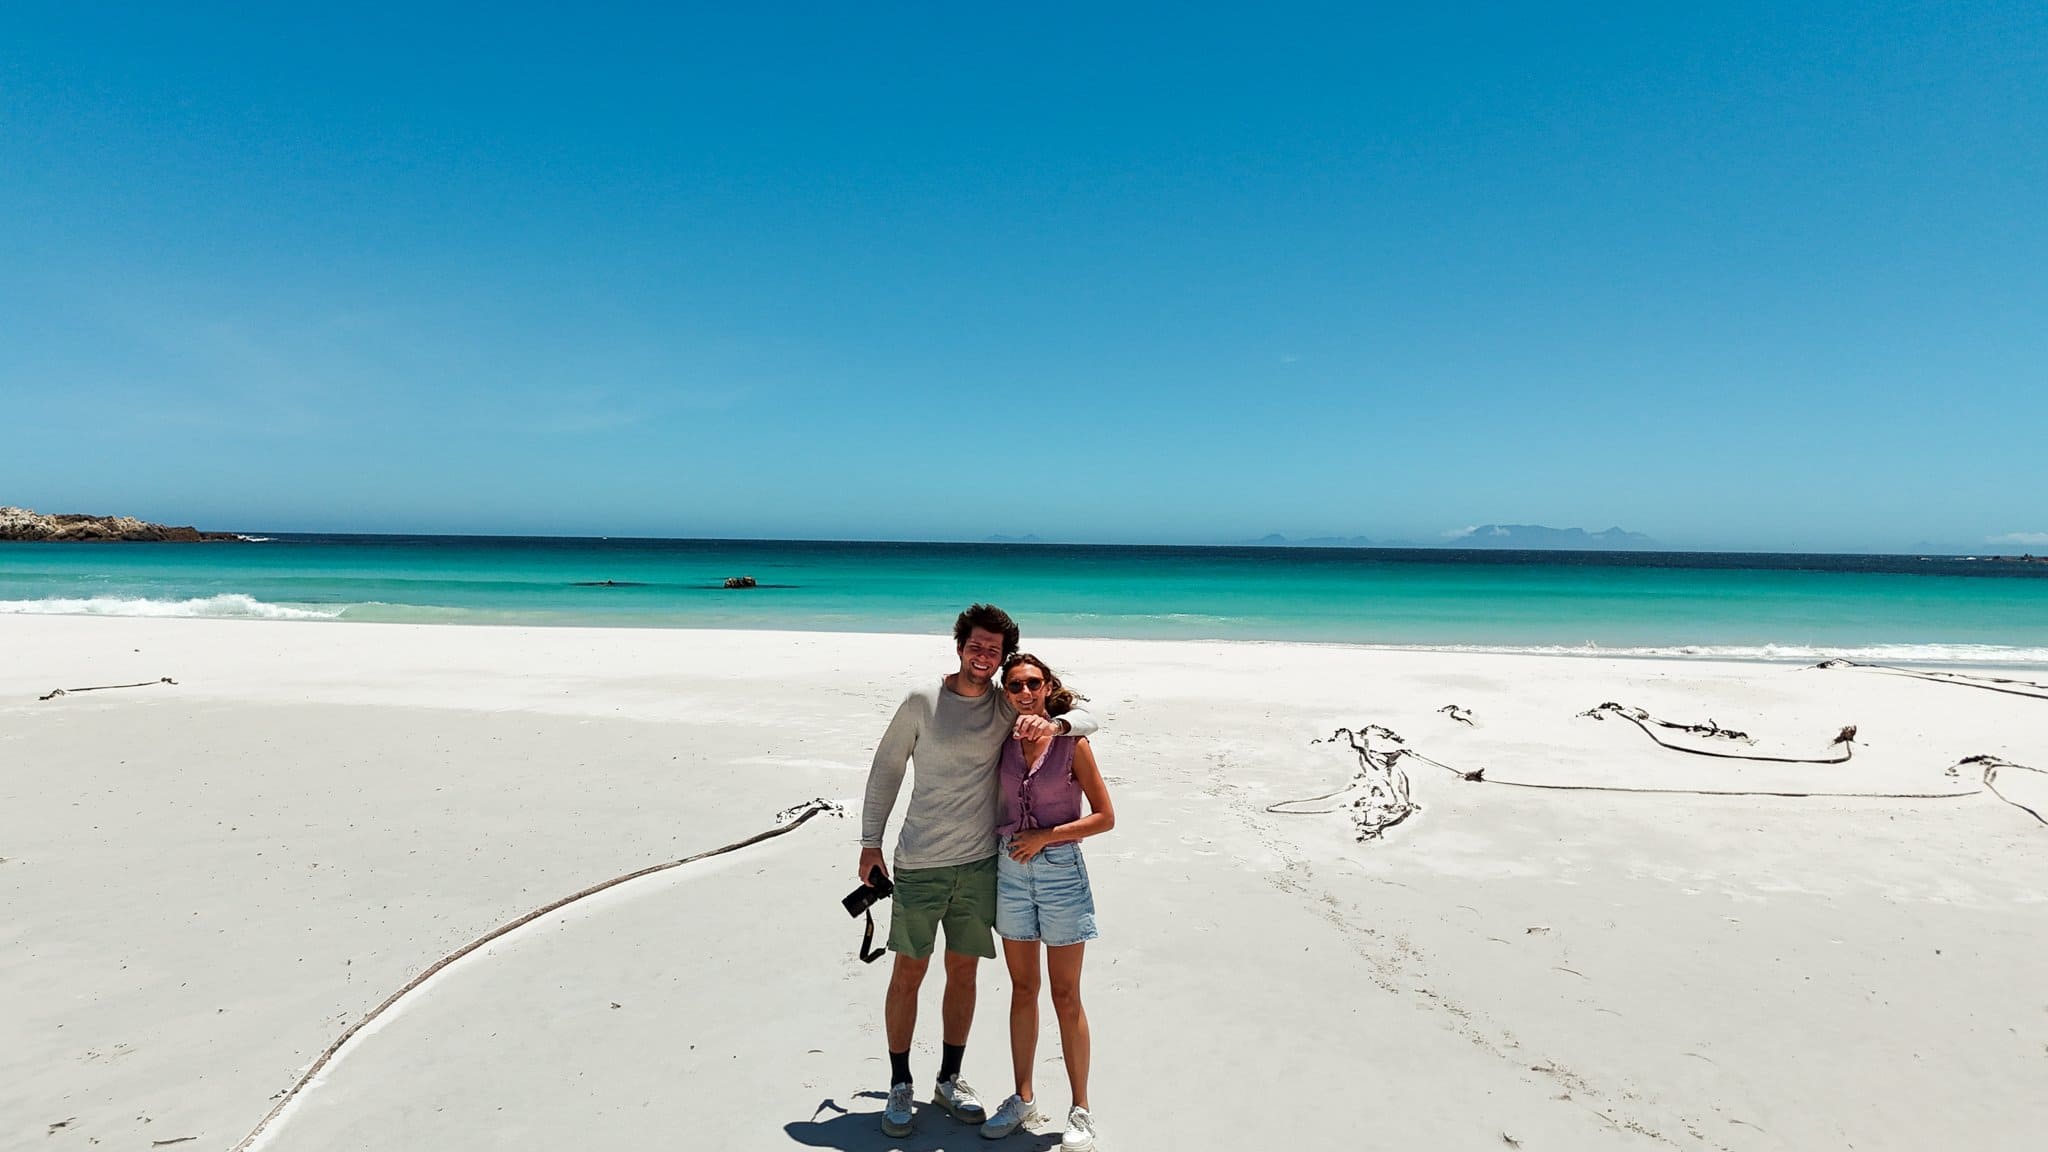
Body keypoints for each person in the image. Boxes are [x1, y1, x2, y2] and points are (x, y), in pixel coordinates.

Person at [859, 605, 1099, 1139]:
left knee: (964, 973)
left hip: (980, 864)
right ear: (960, 647)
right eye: (976, 646)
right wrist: (870, 842)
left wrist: (1057, 722)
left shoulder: (1005, 705)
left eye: (994, 649)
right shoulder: (922, 700)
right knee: (908, 974)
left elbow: (1085, 719)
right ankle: (900, 1083)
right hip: (920, 861)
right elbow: (886, 770)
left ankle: (949, 1079)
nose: (984, 655)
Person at [976, 653, 1115, 1151]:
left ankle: (1081, 1108)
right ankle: (1023, 1098)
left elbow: (1105, 817)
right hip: (1011, 873)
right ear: (1006, 692)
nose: (1025, 692)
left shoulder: (1071, 742)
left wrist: (1046, 837)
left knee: (1066, 994)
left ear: (1047, 686)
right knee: (1022, 989)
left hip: (1061, 874)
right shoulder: (1001, 740)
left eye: (1033, 683)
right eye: (1015, 685)